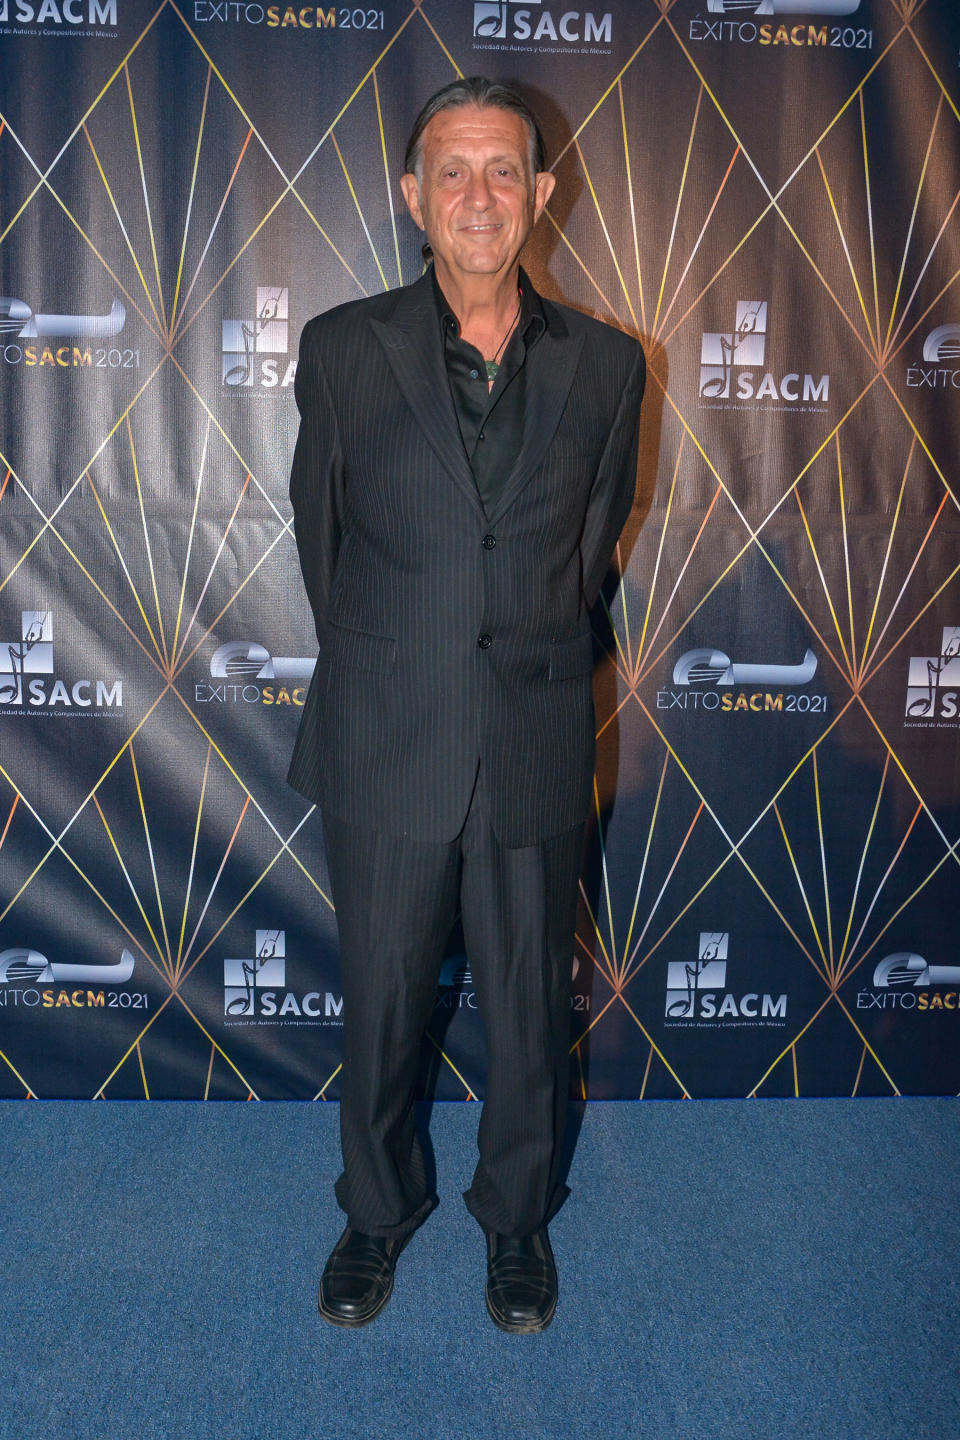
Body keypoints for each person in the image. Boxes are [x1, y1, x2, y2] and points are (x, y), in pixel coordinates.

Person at [288, 76, 645, 1333]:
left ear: (543, 194)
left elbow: (588, 552)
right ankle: (375, 1217)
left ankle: (517, 1227)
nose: (479, 195)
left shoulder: (609, 366)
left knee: (530, 1019)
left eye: (505, 170)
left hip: (536, 736)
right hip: (389, 732)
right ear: (412, 197)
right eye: (453, 171)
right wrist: (401, 666)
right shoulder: (340, 349)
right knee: (383, 1008)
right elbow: (320, 546)